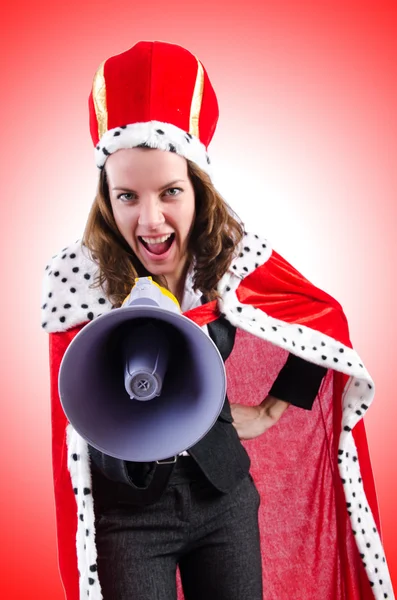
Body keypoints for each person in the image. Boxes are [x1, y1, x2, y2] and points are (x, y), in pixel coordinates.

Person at [42, 41, 394, 600]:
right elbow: (72, 420)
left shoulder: (226, 256)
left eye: (171, 191)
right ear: (106, 198)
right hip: (128, 518)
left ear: (198, 189)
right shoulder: (76, 278)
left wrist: (272, 409)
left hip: (222, 497)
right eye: (128, 195)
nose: (151, 219)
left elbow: (321, 318)